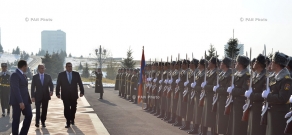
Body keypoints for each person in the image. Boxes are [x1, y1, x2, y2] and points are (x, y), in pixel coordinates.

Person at [262, 52, 291, 135]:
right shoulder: (273, 77)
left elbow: (282, 98)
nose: (270, 63)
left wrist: (268, 96)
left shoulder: (286, 79)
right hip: (272, 113)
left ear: (277, 65)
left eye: (272, 62)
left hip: (279, 115)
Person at [244, 54, 267, 135]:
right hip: (252, 105)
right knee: (251, 129)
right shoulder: (255, 75)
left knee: (257, 130)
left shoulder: (265, 76)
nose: (254, 63)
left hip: (259, 107)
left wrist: (251, 95)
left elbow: (264, 95)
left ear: (259, 64)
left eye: (256, 62)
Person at [56, 62, 84, 128]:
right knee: (67, 108)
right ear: (66, 67)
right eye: (68, 66)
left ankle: (72, 119)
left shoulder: (76, 74)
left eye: (71, 66)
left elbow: (80, 83)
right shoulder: (61, 75)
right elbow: (58, 84)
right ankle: (68, 122)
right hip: (65, 95)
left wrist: (82, 92)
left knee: (74, 108)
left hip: (74, 94)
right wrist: (57, 93)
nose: (70, 67)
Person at [227, 55, 250, 135]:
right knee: (233, 125)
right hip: (235, 102)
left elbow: (243, 90)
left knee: (238, 126)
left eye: (236, 62)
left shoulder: (246, 75)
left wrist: (233, 90)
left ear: (240, 64)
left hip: (240, 103)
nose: (235, 64)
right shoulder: (237, 74)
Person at [10, 60, 32, 135]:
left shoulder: (23, 74)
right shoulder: (15, 75)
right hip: (18, 102)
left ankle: (23, 133)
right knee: (16, 119)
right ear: (23, 66)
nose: (27, 67)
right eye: (27, 66)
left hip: (25, 101)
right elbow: (15, 89)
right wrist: (20, 102)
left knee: (29, 115)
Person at [213, 57, 232, 135]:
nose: (220, 64)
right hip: (219, 99)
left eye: (221, 63)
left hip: (225, 99)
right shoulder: (221, 73)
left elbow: (227, 89)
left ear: (225, 65)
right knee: (219, 119)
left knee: (224, 120)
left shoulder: (230, 74)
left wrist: (218, 89)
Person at [200, 56, 219, 135]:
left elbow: (214, 87)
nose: (208, 63)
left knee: (211, 117)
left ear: (214, 64)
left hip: (212, 96)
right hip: (206, 96)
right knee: (204, 115)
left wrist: (205, 86)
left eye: (210, 62)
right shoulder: (208, 72)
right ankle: (203, 132)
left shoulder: (216, 73)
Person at [185, 58, 199, 134]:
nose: (189, 65)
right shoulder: (191, 72)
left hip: (195, 93)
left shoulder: (197, 72)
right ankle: (189, 125)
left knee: (194, 111)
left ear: (194, 65)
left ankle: (195, 128)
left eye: (191, 63)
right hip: (190, 92)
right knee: (190, 110)